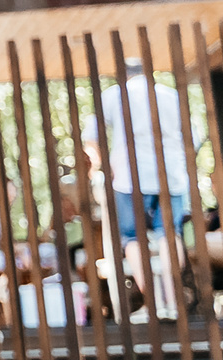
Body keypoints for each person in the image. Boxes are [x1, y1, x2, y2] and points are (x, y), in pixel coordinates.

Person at [81, 59, 201, 319]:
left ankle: (154, 303)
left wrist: (102, 169)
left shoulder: (114, 94)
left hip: (129, 177)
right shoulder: (169, 95)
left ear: (122, 76)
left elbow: (91, 138)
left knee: (132, 237)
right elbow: (195, 136)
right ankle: (172, 300)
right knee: (170, 233)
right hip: (172, 177)